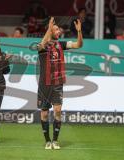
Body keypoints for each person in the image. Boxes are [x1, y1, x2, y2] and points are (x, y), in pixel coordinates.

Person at [37, 17, 83, 150]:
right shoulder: (42, 45)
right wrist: (49, 28)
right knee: (44, 113)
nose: (59, 31)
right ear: (50, 30)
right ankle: (47, 141)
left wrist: (79, 32)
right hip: (44, 84)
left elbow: (78, 45)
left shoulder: (61, 44)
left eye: (59, 29)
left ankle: (55, 141)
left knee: (57, 111)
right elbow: (43, 44)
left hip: (57, 83)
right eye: (56, 29)